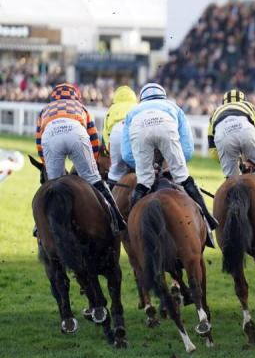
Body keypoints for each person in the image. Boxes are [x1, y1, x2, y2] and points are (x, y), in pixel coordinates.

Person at [121, 82, 218, 246]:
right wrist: (172, 166)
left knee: (143, 183)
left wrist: (149, 168)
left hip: (140, 132)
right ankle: (208, 220)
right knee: (184, 179)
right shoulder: (174, 108)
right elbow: (187, 150)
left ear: (142, 100)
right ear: (163, 97)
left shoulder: (132, 113)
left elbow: (128, 155)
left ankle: (132, 227)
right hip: (166, 129)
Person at [35, 83, 126, 232]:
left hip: (50, 136)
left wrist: (47, 163)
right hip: (76, 132)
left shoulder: (44, 110)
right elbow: (94, 139)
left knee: (53, 186)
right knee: (94, 179)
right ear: (76, 97)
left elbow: (39, 142)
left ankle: (41, 227)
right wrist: (93, 161)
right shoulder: (81, 108)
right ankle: (117, 218)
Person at [104, 86, 138, 187]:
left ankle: (109, 197)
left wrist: (108, 151)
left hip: (116, 134)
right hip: (134, 132)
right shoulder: (137, 107)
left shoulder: (111, 109)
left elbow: (106, 134)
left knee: (115, 172)